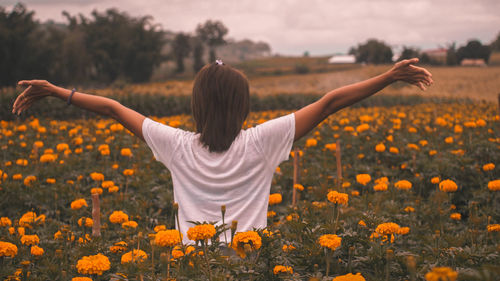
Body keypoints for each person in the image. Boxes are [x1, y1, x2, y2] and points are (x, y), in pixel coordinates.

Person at [12, 58, 432, 243]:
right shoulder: (263, 142)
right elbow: (329, 102)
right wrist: (388, 76)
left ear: (196, 105)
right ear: (244, 105)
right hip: (249, 266)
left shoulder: (174, 146)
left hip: (193, 268)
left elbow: (113, 108)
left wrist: (58, 92)